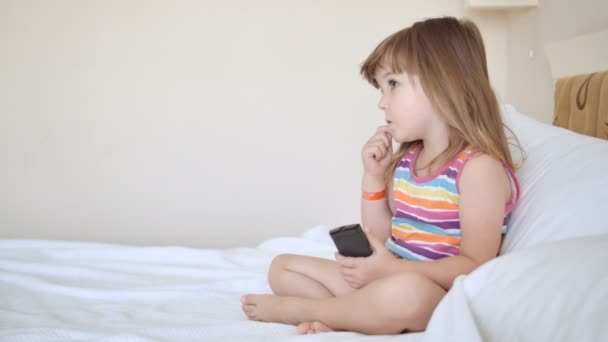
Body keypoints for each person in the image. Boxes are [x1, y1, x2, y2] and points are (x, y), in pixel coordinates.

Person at [241, 16, 521, 335]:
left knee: (405, 294)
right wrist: (373, 177)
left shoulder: (477, 168)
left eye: (393, 84)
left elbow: (475, 265)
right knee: (282, 267)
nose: (381, 102)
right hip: (385, 278)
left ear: (442, 84)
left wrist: (393, 270)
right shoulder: (408, 161)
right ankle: (347, 315)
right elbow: (382, 231)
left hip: (433, 296)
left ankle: (313, 311)